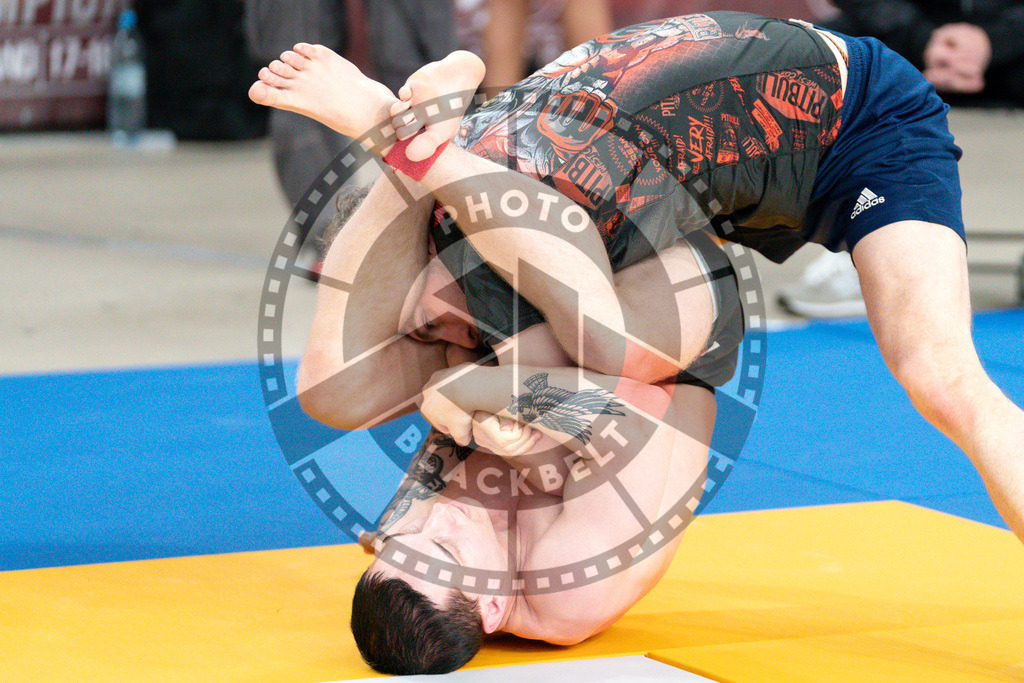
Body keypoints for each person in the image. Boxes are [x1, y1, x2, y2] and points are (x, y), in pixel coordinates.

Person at [248, 10, 1024, 672]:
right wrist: (487, 396)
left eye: (402, 538)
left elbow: (470, 404)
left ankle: (411, 153)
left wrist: (484, 400)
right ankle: (416, 149)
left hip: (593, 155)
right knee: (940, 375)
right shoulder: (567, 588)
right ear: (490, 603)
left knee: (330, 391)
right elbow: (635, 406)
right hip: (821, 143)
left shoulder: (426, 534)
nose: (428, 521)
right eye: (439, 552)